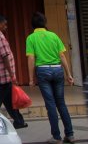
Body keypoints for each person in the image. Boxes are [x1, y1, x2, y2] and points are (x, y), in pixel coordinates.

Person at [26, 11, 75, 144]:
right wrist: (69, 74)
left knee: (50, 104)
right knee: (61, 103)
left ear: (33, 25)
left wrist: (30, 79)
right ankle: (70, 135)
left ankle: (56, 137)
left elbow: (31, 58)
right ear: (45, 23)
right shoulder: (54, 36)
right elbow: (62, 56)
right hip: (58, 70)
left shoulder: (31, 38)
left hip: (42, 71)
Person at [0, 15, 27, 129]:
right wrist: (12, 74)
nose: (6, 27)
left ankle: (19, 121)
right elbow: (5, 56)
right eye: (4, 24)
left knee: (8, 99)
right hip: (4, 74)